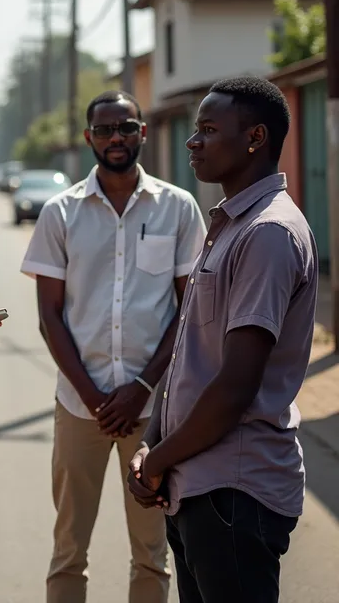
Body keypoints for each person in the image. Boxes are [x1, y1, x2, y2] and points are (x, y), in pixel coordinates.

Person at [128, 77, 318, 603]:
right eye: (195, 130)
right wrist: (150, 443)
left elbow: (236, 385)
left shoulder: (268, 234)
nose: (193, 142)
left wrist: (160, 458)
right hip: (196, 487)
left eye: (208, 130)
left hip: (234, 492)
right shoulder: (229, 226)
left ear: (255, 138)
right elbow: (193, 355)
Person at [21, 90, 207, 603]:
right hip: (79, 407)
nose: (116, 138)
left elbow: (187, 313)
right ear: (89, 139)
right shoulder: (61, 212)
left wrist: (141, 386)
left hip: (153, 411)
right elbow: (49, 317)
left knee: (152, 551)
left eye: (125, 127)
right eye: (104, 130)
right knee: (69, 551)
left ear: (143, 132)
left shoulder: (178, 207)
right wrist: (97, 397)